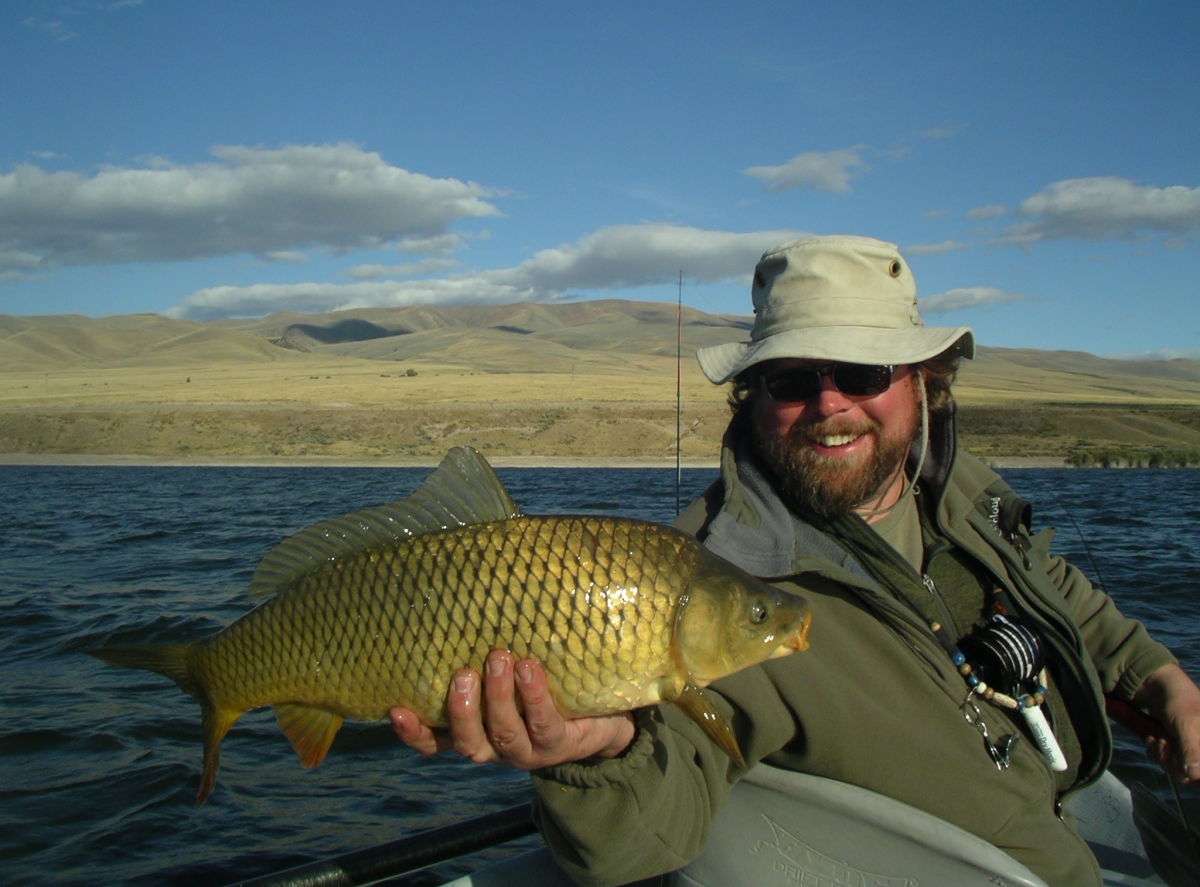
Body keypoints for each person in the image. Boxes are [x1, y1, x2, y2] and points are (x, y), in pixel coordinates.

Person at [391, 234, 1200, 885]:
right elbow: (648, 834)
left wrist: (1165, 686)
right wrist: (596, 761)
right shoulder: (712, 586)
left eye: (863, 371)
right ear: (753, 396)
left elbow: (1067, 602)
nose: (829, 402)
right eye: (790, 380)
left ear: (925, 383)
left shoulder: (962, 499)